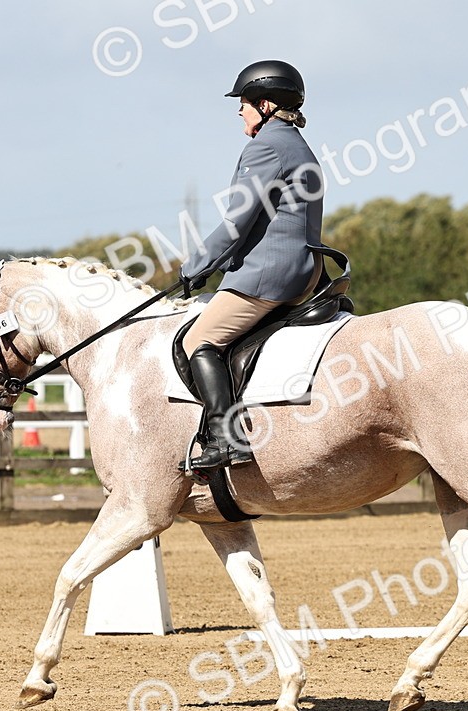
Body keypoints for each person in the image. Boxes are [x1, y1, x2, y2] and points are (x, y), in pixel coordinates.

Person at [179, 60, 325, 472]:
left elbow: (237, 222)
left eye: (243, 103)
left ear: (263, 104)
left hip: (269, 274)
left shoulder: (265, 146)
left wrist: (195, 266)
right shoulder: (298, 145)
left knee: (198, 340)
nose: (239, 112)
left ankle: (227, 440)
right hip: (305, 271)